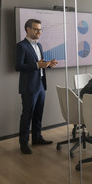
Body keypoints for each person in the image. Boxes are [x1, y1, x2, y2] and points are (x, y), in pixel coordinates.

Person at [16, 19, 58, 154]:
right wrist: (36, 65)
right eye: (36, 29)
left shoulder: (38, 45)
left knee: (38, 113)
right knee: (27, 115)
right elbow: (18, 66)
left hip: (40, 83)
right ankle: (23, 143)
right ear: (28, 30)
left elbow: (40, 63)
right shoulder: (21, 46)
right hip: (29, 86)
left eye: (40, 29)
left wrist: (47, 65)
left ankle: (37, 137)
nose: (39, 32)